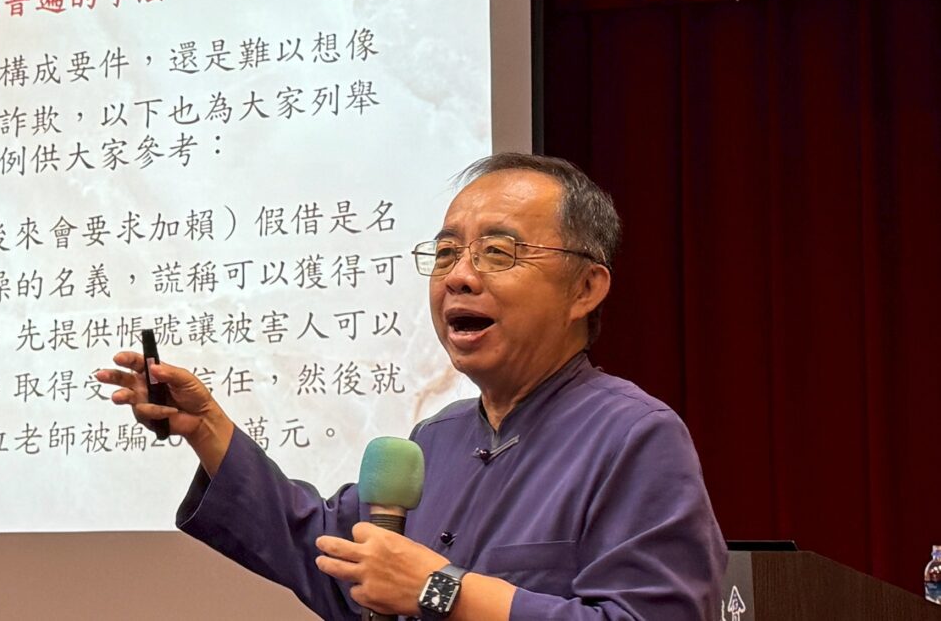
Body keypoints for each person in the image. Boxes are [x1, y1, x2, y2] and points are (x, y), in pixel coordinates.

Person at [96, 153, 726, 620]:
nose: (459, 277)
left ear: (585, 289)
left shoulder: (634, 438)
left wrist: (440, 590)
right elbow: (329, 553)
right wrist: (207, 429)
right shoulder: (435, 439)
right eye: (446, 254)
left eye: (498, 253)